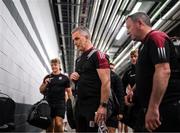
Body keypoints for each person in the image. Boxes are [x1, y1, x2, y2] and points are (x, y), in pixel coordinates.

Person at [125, 12, 180, 132]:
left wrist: (153, 107)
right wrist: (134, 91)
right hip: (147, 107)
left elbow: (164, 71)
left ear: (139, 23)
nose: (127, 32)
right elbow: (145, 75)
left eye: (129, 27)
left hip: (164, 107)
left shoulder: (157, 37)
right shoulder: (143, 45)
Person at [70, 26, 111, 132]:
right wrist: (75, 78)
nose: (74, 42)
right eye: (73, 40)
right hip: (80, 105)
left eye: (77, 38)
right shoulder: (79, 59)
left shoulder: (99, 55)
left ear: (87, 37)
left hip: (94, 106)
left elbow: (106, 82)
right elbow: (85, 80)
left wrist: (103, 106)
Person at [39, 58, 71, 133]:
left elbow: (69, 92)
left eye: (55, 65)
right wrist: (45, 84)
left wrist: (70, 104)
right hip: (48, 104)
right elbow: (41, 90)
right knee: (49, 126)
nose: (53, 66)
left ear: (59, 65)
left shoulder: (65, 78)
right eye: (52, 65)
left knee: (59, 123)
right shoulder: (47, 77)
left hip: (60, 104)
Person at [121, 49, 138, 132]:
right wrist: (125, 98)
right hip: (134, 103)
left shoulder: (146, 69)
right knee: (136, 127)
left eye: (135, 56)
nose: (133, 59)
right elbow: (121, 85)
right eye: (131, 57)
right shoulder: (128, 71)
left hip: (146, 102)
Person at [106, 63, 125, 133]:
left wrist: (120, 112)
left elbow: (121, 95)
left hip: (113, 110)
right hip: (103, 108)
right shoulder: (101, 77)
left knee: (111, 130)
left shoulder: (117, 78)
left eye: (112, 68)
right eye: (110, 68)